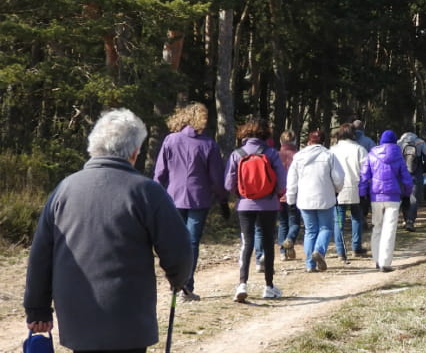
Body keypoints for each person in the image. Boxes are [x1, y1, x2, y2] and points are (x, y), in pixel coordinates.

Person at [24, 109, 193, 353]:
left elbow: (41, 254)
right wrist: (178, 279)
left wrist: (37, 308)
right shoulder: (147, 191)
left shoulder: (63, 190)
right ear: (134, 152)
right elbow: (178, 249)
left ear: (93, 146)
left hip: (77, 318)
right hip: (129, 319)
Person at [152, 102, 226, 302]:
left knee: (174, 241)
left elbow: (159, 173)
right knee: (192, 242)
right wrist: (222, 198)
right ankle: (186, 284)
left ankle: (174, 282)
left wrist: (153, 196)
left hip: (173, 197)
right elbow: (217, 177)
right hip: (199, 199)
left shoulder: (170, 140)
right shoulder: (208, 144)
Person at [225, 117, 287, 302]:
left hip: (245, 203)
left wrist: (241, 193)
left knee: (247, 242)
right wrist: (274, 193)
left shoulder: (237, 154)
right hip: (268, 204)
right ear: (265, 133)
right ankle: (268, 286)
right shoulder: (271, 153)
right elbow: (282, 182)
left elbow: (228, 183)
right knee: (268, 243)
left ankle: (242, 284)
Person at [287, 129, 345, 273]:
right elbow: (339, 177)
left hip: (304, 199)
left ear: (308, 141)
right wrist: (337, 190)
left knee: (310, 231)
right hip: (325, 197)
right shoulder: (329, 155)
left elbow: (292, 180)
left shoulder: (298, 156)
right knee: (325, 228)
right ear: (323, 142)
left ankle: (309, 265)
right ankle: (318, 251)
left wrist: (291, 198)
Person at [359, 130, 414, 272]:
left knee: (377, 227)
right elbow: (406, 178)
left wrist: (362, 193)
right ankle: (385, 262)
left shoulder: (371, 154)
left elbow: (364, 175)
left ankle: (377, 260)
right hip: (394, 197)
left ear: (381, 141)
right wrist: (407, 193)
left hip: (375, 196)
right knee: (389, 229)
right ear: (395, 141)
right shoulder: (398, 155)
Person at [330, 124, 369, 259]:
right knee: (356, 217)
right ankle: (356, 247)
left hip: (337, 188)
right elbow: (365, 170)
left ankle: (341, 251)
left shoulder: (332, 150)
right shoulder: (359, 149)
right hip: (355, 187)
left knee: (338, 220)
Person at [398, 131, 426, 232]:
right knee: (414, 198)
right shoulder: (420, 142)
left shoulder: (399, 143)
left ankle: (405, 219)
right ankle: (410, 221)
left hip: (401, 174)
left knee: (404, 197)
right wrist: (425, 169)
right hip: (416, 173)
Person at [277, 130, 302, 260]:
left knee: (282, 223)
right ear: (295, 141)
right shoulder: (298, 156)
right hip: (295, 194)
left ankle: (282, 252)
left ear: (281, 141)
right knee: (295, 223)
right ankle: (290, 239)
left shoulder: (276, 155)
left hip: (279, 195)